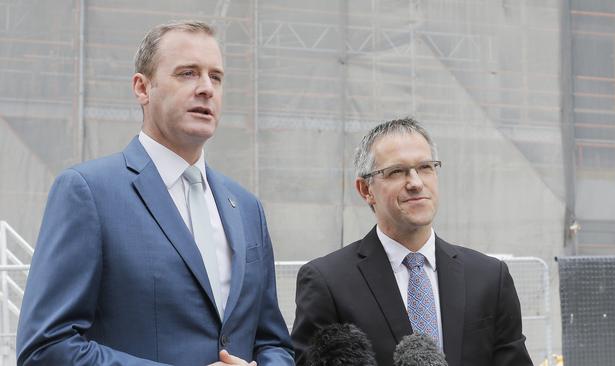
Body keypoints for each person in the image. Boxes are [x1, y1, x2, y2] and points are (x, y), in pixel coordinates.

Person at [16, 21, 294, 366]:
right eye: (188, 73)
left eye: (216, 77)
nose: (206, 88)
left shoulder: (247, 207)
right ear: (142, 88)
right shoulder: (88, 192)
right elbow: (46, 348)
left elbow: (273, 343)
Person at [291, 117, 533, 366]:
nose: (416, 183)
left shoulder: (490, 277)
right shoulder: (328, 282)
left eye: (426, 167)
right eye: (397, 171)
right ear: (366, 190)